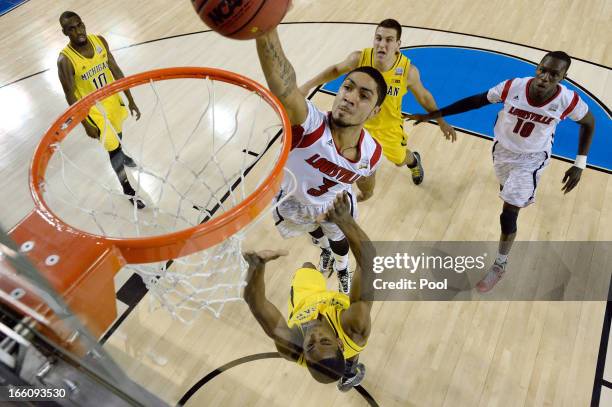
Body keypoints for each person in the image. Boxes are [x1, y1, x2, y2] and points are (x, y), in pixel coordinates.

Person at [406, 51, 596, 292]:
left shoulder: (568, 101)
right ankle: (511, 198)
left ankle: (500, 265)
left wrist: (580, 163)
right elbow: (477, 100)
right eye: (542, 70)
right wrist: (434, 115)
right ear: (537, 67)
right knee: (506, 193)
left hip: (531, 159)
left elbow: (589, 123)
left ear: (563, 77)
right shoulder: (513, 86)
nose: (545, 77)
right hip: (502, 151)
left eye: (554, 74)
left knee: (508, 213)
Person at [255, 28, 385, 293]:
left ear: (375, 110)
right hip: (292, 199)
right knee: (312, 232)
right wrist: (264, 26)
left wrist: (365, 196)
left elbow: (368, 183)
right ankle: (323, 250)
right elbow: (285, 86)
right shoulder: (309, 124)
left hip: (333, 205)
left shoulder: (371, 153)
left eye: (364, 95)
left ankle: (342, 268)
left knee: (339, 240)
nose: (350, 97)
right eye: (347, 88)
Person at [299, 18, 456, 188]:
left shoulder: (407, 72)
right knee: (349, 158)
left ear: (398, 44)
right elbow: (336, 70)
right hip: (358, 123)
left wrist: (442, 122)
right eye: (378, 38)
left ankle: (414, 161)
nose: (382, 44)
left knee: (400, 159)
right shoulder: (358, 59)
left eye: (389, 40)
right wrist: (307, 86)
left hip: (388, 128)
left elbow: (424, 97)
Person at [244, 192, 375, 390]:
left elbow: (257, 304)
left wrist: (256, 268)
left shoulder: (291, 346)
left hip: (307, 300)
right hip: (341, 319)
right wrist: (345, 221)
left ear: (303, 353)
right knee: (354, 346)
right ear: (338, 342)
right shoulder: (356, 325)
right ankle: (350, 367)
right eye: (324, 340)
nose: (314, 336)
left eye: (310, 345)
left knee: (307, 266)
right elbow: (370, 264)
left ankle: (348, 368)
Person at [57, 11, 145, 209]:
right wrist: (85, 123)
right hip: (94, 110)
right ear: (65, 33)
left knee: (118, 136)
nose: (78, 31)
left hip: (112, 100)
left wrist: (130, 99)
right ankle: (128, 189)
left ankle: (123, 154)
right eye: (71, 29)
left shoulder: (99, 41)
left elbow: (115, 68)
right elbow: (70, 95)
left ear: (83, 23)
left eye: (79, 25)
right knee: (113, 150)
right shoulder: (65, 60)